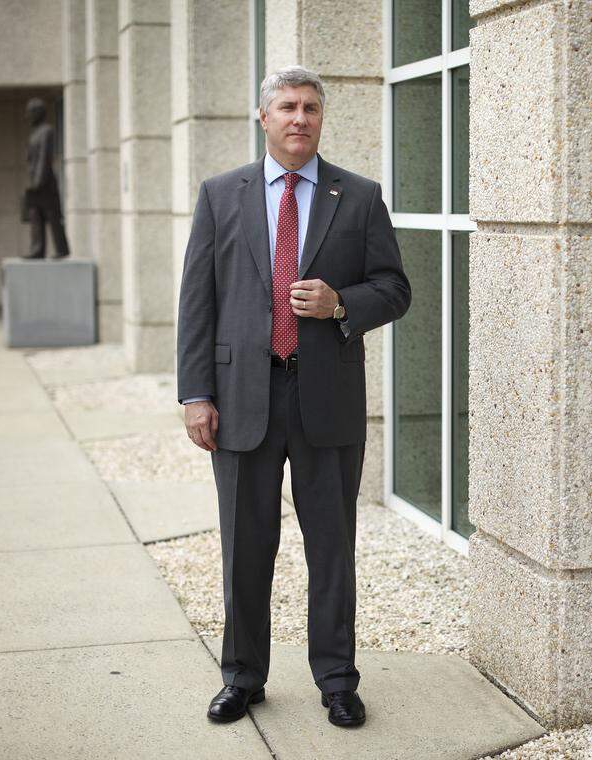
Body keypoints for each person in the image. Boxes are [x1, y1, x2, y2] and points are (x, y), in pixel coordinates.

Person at [176, 65, 411, 729]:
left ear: (320, 118)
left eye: (310, 107)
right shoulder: (222, 195)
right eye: (286, 106)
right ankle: (242, 678)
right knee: (245, 548)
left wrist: (342, 304)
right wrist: (196, 394)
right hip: (242, 399)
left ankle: (337, 681)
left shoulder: (358, 197)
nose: (299, 117)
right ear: (264, 117)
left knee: (331, 550)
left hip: (326, 401)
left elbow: (395, 287)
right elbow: (198, 302)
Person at [22, 98, 70, 259]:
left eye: (30, 112)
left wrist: (38, 182)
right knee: (35, 215)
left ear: (38, 113)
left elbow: (44, 157)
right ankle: (37, 249)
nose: (27, 115)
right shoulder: (34, 133)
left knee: (52, 216)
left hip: (45, 183)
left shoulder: (46, 131)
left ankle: (61, 249)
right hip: (34, 182)